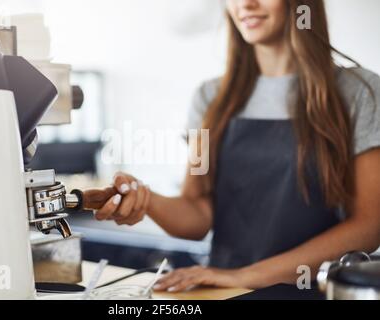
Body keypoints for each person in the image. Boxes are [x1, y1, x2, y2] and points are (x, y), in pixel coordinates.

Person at [92, 0, 380, 292]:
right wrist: (144, 198)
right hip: (227, 292)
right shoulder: (211, 98)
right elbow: (197, 213)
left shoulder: (358, 92)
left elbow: (369, 225)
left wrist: (247, 276)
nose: (246, 4)